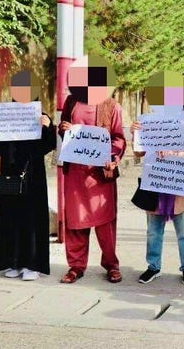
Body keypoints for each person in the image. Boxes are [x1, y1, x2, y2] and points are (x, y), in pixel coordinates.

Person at [0, 70, 57, 281]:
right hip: (9, 176)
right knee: (10, 219)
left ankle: (32, 265)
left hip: (33, 176)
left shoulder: (41, 116)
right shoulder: (5, 115)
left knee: (31, 220)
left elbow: (49, 146)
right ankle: (13, 262)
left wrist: (48, 128)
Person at [58, 57, 126, 284]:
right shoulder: (71, 102)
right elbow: (63, 129)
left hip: (100, 174)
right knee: (75, 221)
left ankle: (111, 265)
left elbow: (118, 138)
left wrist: (113, 157)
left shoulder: (112, 105)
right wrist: (64, 129)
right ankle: (76, 266)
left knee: (105, 222)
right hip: (76, 171)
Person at [130, 107, 184, 286]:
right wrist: (136, 134)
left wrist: (177, 154)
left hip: (179, 182)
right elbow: (139, 152)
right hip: (155, 182)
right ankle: (153, 266)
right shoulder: (150, 121)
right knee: (153, 231)